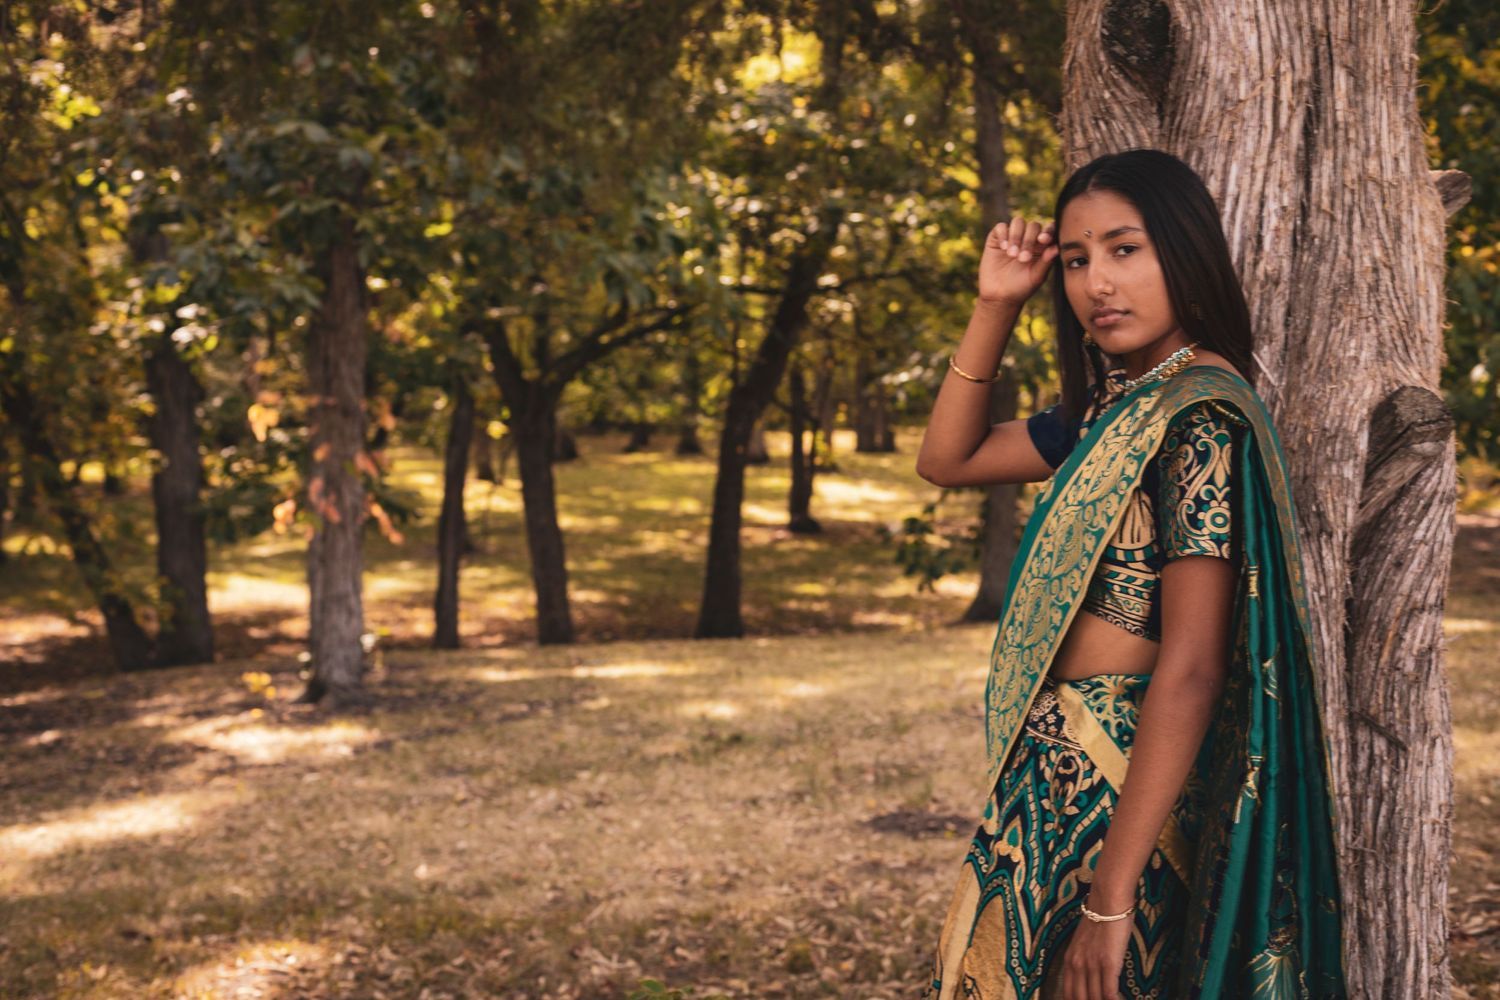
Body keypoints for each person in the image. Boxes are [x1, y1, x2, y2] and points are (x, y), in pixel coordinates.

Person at [913, 148, 1348, 999]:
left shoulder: (1198, 419)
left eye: (1124, 249)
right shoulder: (1114, 406)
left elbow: (1191, 669)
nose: (1095, 283)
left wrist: (1110, 903)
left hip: (1117, 789)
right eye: (1075, 261)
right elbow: (948, 457)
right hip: (1052, 772)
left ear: (1184, 252)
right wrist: (996, 304)